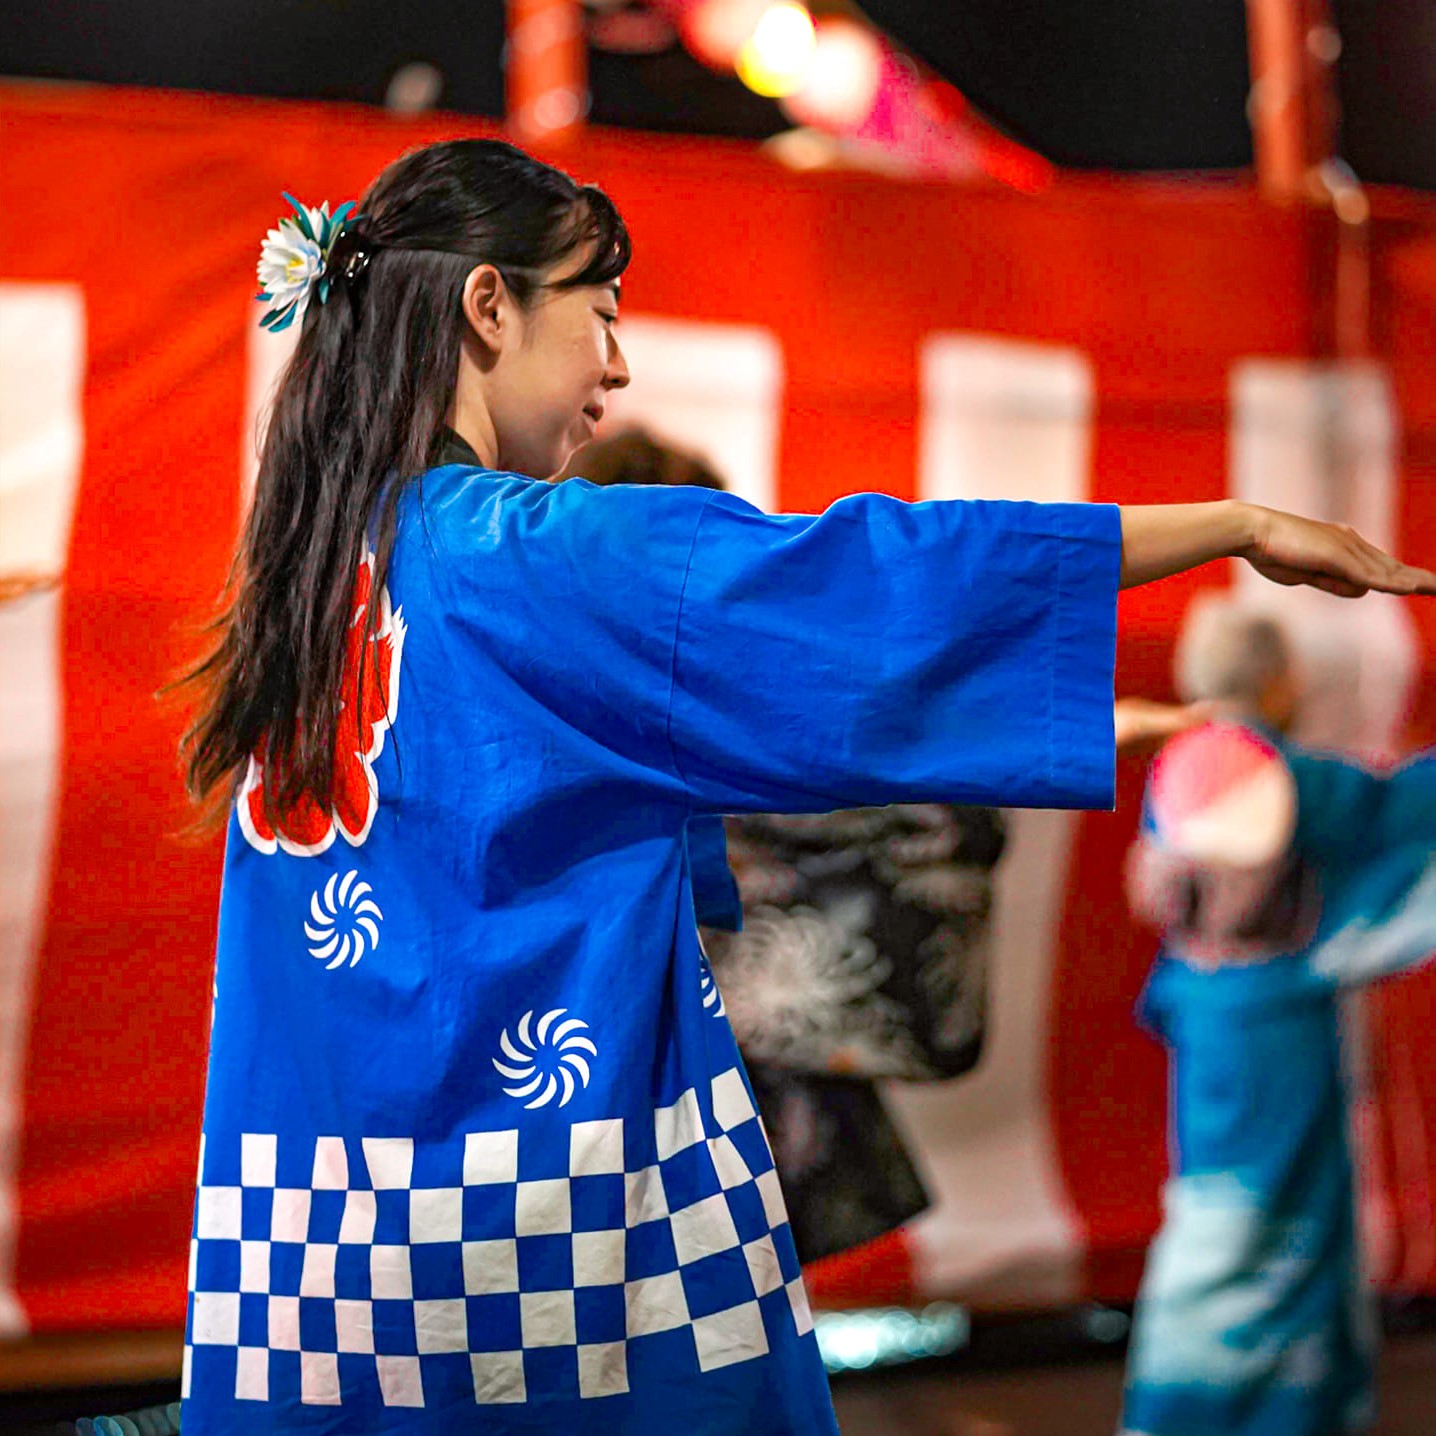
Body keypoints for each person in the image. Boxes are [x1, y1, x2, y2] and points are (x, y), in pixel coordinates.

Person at [177, 138, 1435, 1436]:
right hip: (537, 1231)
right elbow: (863, 585)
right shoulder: (529, 554)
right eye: (600, 315)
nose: (615, 366)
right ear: (489, 307)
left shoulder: (313, 582)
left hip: (320, 1246)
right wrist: (1226, 526)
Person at [1121, 601, 1436, 1436]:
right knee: (1293, 1217)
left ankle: (1177, 1407)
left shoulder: (1178, 766)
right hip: (1282, 1025)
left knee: (1213, 1214)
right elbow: (1400, 812)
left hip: (1205, 1022)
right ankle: (1291, 1413)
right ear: (1282, 680)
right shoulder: (1286, 774)